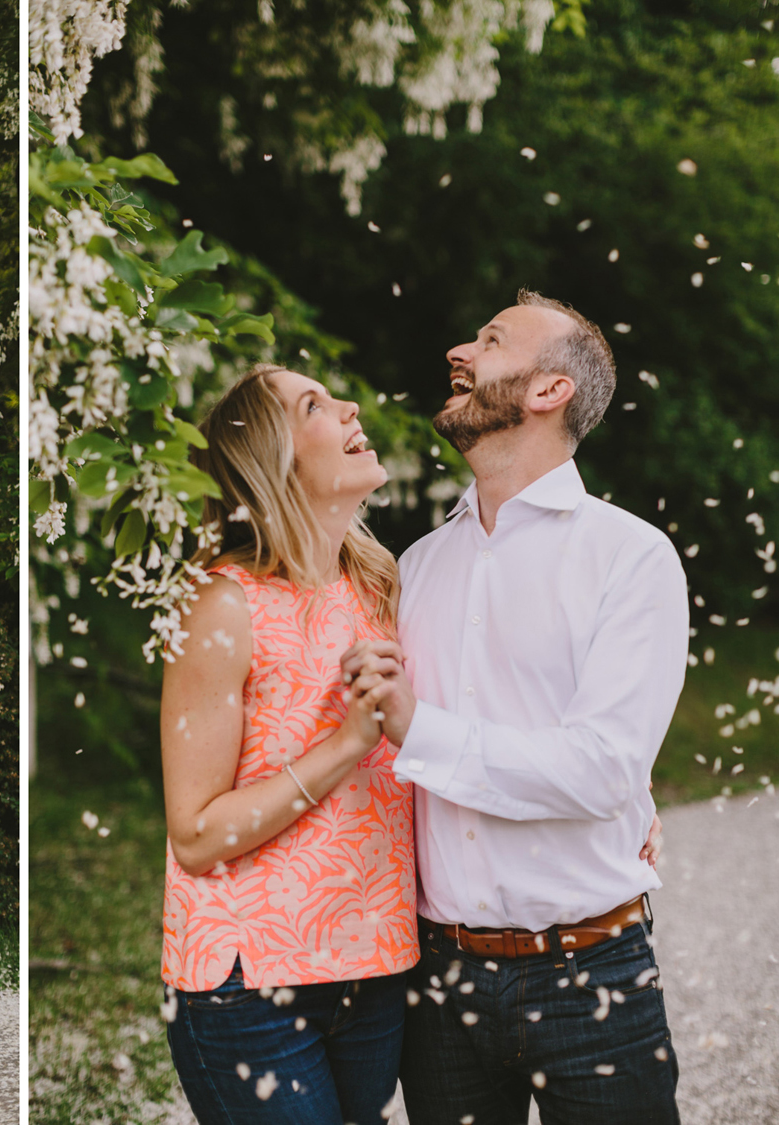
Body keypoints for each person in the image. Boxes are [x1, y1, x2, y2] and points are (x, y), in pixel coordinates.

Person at [345, 290, 685, 1124]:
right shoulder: (414, 566)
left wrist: (421, 729)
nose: (460, 350)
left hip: (592, 973)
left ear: (548, 390)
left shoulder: (631, 558)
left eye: (492, 341)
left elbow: (603, 767)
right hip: (439, 982)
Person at [159, 363, 418, 1125]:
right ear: (272, 460)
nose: (351, 404)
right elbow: (197, 834)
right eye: (315, 403)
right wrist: (345, 744)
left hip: (375, 962)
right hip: (248, 984)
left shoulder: (378, 584)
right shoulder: (219, 604)